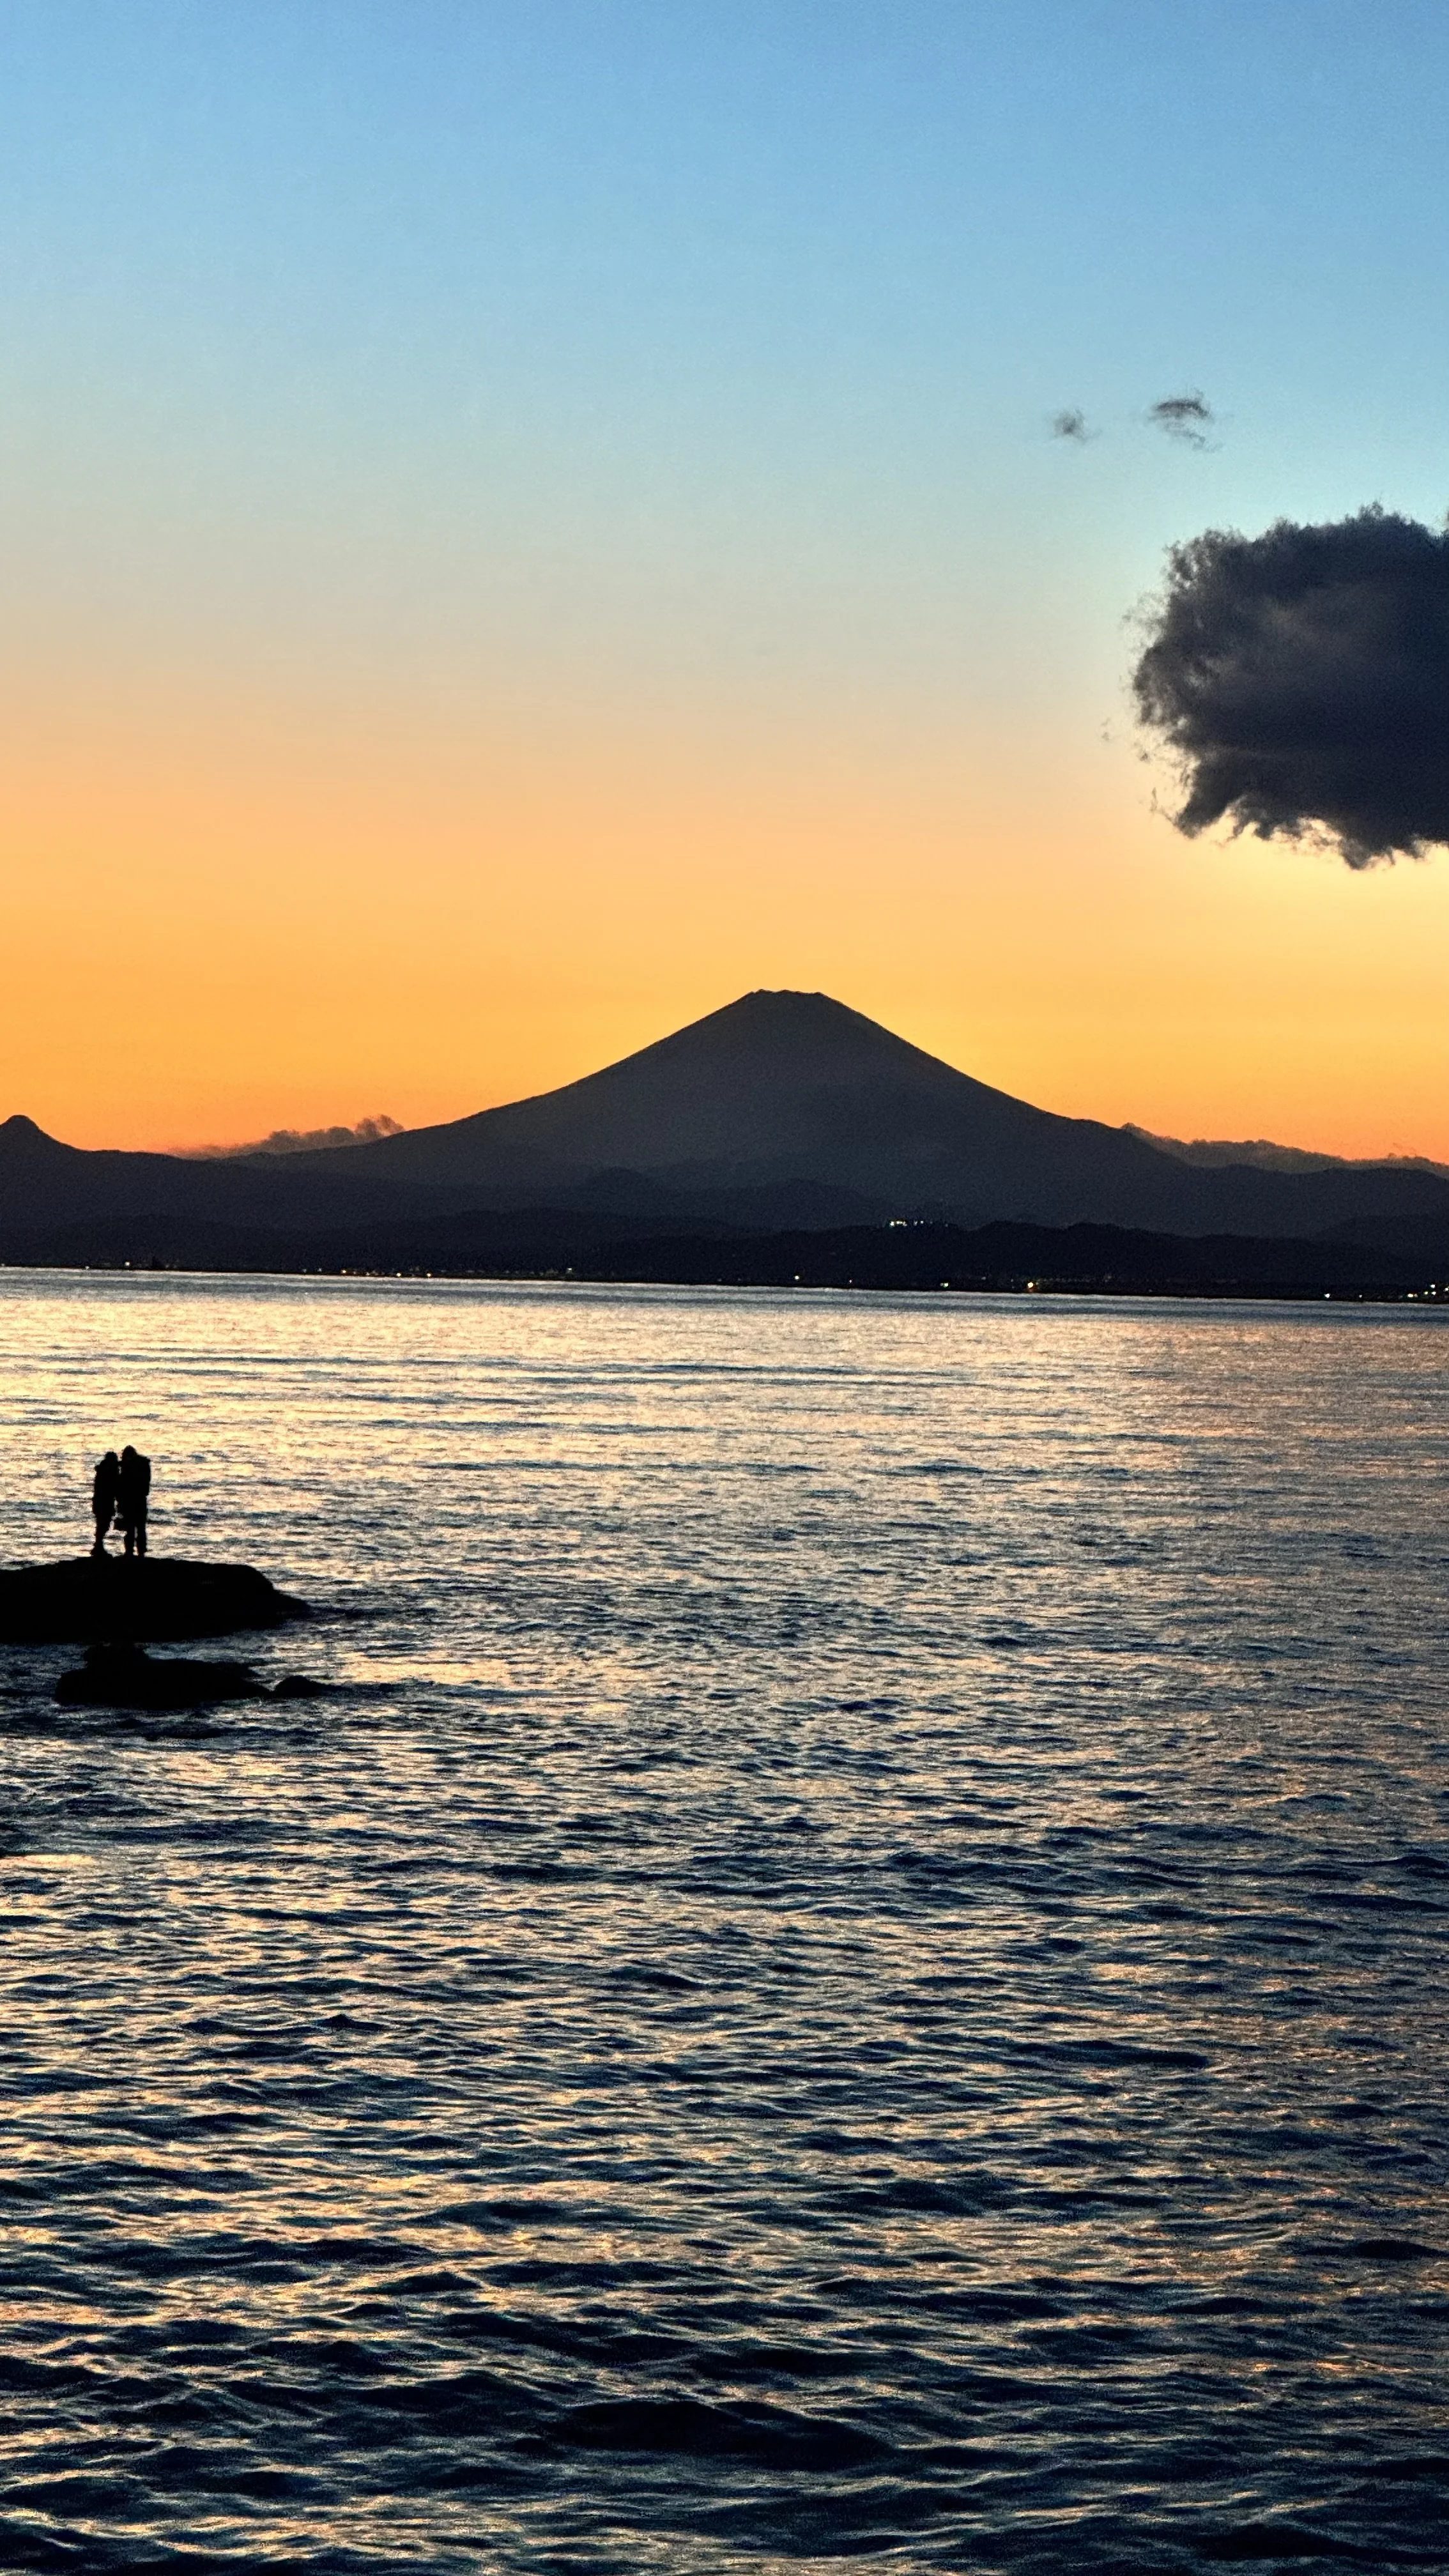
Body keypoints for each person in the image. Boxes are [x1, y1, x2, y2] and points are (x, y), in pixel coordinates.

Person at [118, 1446, 151, 1560]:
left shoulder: (130, 1467)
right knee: (138, 1528)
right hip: (138, 1500)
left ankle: (131, 1552)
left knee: (132, 1528)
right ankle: (139, 1552)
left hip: (132, 1500)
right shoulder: (143, 1465)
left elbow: (123, 1483)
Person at [91, 1451, 121, 1556]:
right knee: (103, 1525)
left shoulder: (104, 1470)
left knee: (102, 1524)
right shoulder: (108, 1472)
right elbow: (114, 1487)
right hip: (104, 1502)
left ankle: (98, 1546)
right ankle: (98, 1547)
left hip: (101, 1501)